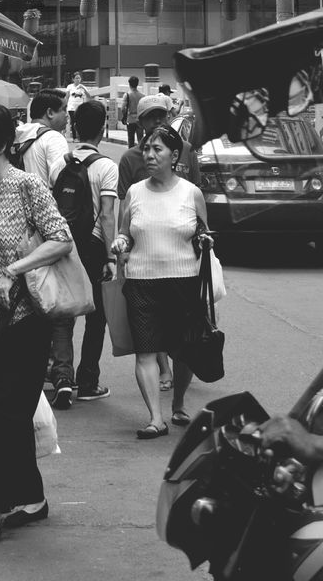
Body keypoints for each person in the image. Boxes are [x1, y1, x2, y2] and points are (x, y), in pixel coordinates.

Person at [0, 103, 73, 543]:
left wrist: (16, 269)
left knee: (10, 414)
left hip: (28, 321)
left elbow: (61, 239)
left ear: (3, 144)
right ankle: (34, 499)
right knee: (3, 413)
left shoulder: (27, 186)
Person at [112, 125, 208, 439]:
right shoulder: (134, 193)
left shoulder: (191, 192)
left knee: (184, 351)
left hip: (184, 281)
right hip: (141, 282)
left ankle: (178, 402)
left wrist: (206, 239)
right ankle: (156, 417)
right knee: (146, 352)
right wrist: (121, 245)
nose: (150, 155)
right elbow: (125, 233)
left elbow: (204, 233)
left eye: (158, 149)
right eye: (147, 149)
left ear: (175, 155)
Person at [50, 100, 118, 408]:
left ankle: (62, 379)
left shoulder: (59, 164)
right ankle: (87, 381)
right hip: (92, 248)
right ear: (103, 128)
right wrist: (112, 257)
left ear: (75, 128)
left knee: (64, 313)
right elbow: (106, 215)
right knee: (96, 316)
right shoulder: (106, 166)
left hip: (63, 244)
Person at [118, 94, 201, 199]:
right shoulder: (129, 159)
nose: (157, 121)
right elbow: (124, 205)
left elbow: (196, 196)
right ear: (139, 123)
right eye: (151, 116)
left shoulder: (187, 150)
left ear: (168, 117)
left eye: (161, 115)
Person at [13, 89, 69, 186]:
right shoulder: (53, 138)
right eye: (64, 109)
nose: (67, 115)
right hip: (44, 199)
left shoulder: (17, 134)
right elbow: (61, 181)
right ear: (50, 113)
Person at [64, 72, 90, 140]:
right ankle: (74, 137)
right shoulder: (70, 86)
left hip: (80, 107)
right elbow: (67, 97)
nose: (78, 79)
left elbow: (89, 96)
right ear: (73, 79)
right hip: (71, 107)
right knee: (73, 122)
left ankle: (80, 137)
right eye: (76, 78)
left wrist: (83, 88)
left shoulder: (82, 87)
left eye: (79, 78)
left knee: (80, 122)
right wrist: (65, 106)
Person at [120, 76, 142, 148]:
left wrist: (124, 115)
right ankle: (140, 154)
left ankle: (131, 155)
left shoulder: (127, 95)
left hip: (130, 119)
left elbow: (123, 108)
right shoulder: (142, 95)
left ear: (129, 84)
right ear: (137, 84)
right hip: (139, 119)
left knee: (131, 140)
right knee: (140, 140)